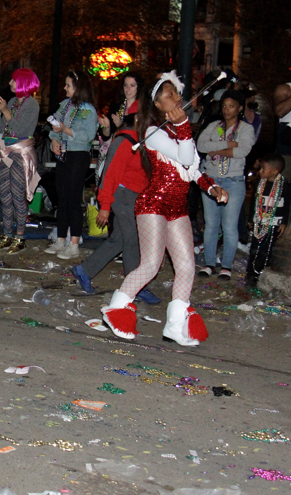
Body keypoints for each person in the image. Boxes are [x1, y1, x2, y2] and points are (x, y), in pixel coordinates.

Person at [101, 72, 228, 347]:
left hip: (177, 207)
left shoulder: (180, 131)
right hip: (153, 204)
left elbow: (192, 168)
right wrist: (183, 124)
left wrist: (211, 187)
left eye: (176, 94)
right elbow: (182, 156)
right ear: (157, 104)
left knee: (186, 266)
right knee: (151, 264)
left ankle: (175, 324)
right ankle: (117, 310)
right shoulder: (152, 133)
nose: (177, 99)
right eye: (169, 95)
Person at [70, 90, 161, 305]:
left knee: (119, 240)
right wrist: (105, 205)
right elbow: (110, 174)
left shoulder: (141, 139)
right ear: (138, 118)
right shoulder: (125, 140)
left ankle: (84, 270)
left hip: (132, 195)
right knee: (132, 241)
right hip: (123, 195)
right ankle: (135, 287)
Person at [196, 89, 256, 279]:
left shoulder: (246, 129)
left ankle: (227, 266)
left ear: (239, 108)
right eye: (224, 106)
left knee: (229, 225)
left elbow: (243, 151)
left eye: (231, 106)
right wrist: (228, 146)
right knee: (211, 223)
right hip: (211, 180)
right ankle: (209, 263)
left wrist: (217, 150)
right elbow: (201, 146)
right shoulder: (214, 126)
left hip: (233, 180)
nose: (226, 110)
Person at [0, 68, 41, 254]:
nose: (10, 83)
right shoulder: (14, 102)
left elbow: (20, 129)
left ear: (23, 82)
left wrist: (5, 111)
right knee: (4, 193)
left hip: (20, 152)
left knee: (17, 194)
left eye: (13, 80)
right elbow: (3, 128)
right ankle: (7, 235)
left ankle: (20, 237)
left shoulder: (31, 104)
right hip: (7, 152)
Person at [45, 70, 99, 259]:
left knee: (73, 197)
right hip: (64, 154)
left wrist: (65, 129)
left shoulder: (88, 109)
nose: (65, 88)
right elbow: (53, 128)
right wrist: (54, 140)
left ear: (78, 87)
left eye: (68, 85)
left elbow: (87, 135)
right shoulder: (65, 106)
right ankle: (61, 239)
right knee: (62, 197)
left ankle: (74, 242)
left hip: (78, 155)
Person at [246, 154, 290, 288]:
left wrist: (284, 221)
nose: (260, 172)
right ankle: (251, 275)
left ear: (275, 170)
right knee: (254, 248)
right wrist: (251, 218)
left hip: (273, 223)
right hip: (259, 222)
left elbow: (288, 204)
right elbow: (254, 201)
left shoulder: (284, 185)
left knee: (267, 249)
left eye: (263, 169)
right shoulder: (260, 184)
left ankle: (261, 273)